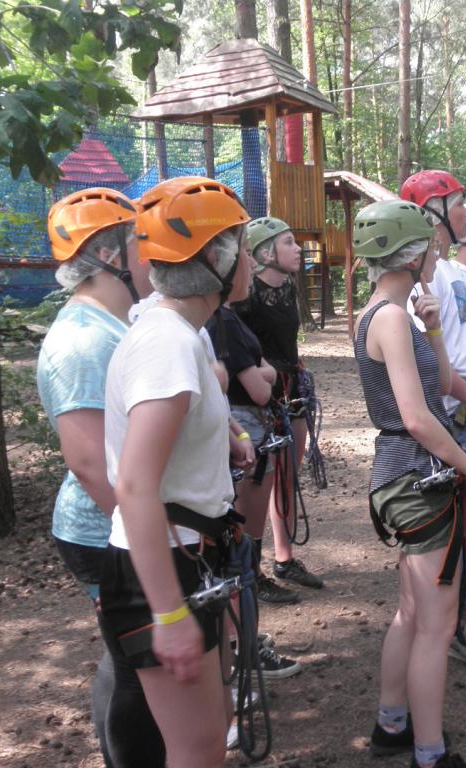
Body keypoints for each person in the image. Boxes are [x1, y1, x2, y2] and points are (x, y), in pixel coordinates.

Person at [98, 176, 251, 768]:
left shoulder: (178, 334)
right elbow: (134, 484)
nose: (250, 259)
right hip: (164, 568)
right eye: (242, 246)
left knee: (206, 739)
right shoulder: (167, 343)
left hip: (183, 556)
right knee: (197, 750)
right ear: (216, 258)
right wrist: (168, 612)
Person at [352, 199, 466, 768]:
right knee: (436, 624)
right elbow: (417, 417)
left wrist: (433, 328)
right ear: (409, 255)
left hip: (403, 475)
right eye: (429, 246)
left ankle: (392, 725)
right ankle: (430, 754)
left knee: (411, 612)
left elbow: (441, 383)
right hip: (417, 476)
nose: (436, 253)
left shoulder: (388, 315)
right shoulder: (387, 318)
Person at [36, 188, 164, 767]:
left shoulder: (116, 321)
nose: (152, 252)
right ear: (111, 254)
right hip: (104, 529)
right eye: (142, 240)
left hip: (122, 523)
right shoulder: (84, 340)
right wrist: (149, 540)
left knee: (129, 656)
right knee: (138, 663)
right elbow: (90, 462)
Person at [400, 171, 466, 673]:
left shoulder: (447, 271)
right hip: (443, 418)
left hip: (462, 410)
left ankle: (450, 621)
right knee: (453, 525)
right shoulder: (424, 279)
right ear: (434, 212)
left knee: (463, 521)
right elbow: (432, 363)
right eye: (459, 202)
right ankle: (455, 625)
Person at [207, 224, 303, 680]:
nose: (247, 260)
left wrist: (267, 372)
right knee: (241, 544)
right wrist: (267, 375)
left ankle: (240, 642)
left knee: (241, 543)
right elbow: (261, 386)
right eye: (243, 253)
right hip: (248, 427)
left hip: (250, 426)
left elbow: (263, 368)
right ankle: (241, 648)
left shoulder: (227, 320)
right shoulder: (226, 321)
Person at [234, 216, 323, 601]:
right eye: (288, 242)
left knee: (288, 477)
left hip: (290, 388)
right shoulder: (244, 295)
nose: (298, 248)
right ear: (266, 252)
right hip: (258, 397)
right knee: (258, 483)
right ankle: (247, 569)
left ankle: (284, 558)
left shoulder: (288, 287)